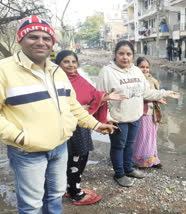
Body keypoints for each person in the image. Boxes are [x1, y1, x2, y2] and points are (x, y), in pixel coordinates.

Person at [0, 15, 116, 213]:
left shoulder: (57, 71)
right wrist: (19, 137)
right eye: (33, 37)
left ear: (52, 43)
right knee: (31, 205)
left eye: (46, 38)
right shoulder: (4, 70)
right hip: (28, 151)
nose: (41, 42)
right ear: (20, 39)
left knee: (55, 196)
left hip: (60, 147)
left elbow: (73, 106)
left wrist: (96, 125)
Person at [96, 40, 180, 187]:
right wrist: (107, 118)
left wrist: (166, 93)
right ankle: (119, 173)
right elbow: (100, 97)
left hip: (135, 116)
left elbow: (146, 92)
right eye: (121, 53)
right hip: (117, 118)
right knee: (118, 146)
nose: (125, 57)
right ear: (115, 54)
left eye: (128, 54)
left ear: (133, 56)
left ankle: (128, 168)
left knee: (130, 144)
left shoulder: (136, 71)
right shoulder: (107, 72)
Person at [55, 50, 127, 205]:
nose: (71, 65)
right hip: (69, 128)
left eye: (74, 62)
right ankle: (76, 194)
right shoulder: (56, 82)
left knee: (82, 156)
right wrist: (80, 107)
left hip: (83, 125)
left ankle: (71, 187)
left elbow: (94, 97)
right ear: (58, 64)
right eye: (66, 62)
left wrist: (104, 97)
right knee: (75, 158)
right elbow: (57, 106)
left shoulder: (79, 79)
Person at [133, 57, 168, 169]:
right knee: (144, 137)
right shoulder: (134, 80)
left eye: (147, 67)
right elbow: (137, 96)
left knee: (152, 136)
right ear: (136, 67)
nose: (145, 69)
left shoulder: (152, 80)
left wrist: (159, 99)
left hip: (153, 112)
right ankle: (142, 161)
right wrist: (157, 99)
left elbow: (155, 94)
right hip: (142, 112)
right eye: (142, 67)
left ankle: (153, 159)